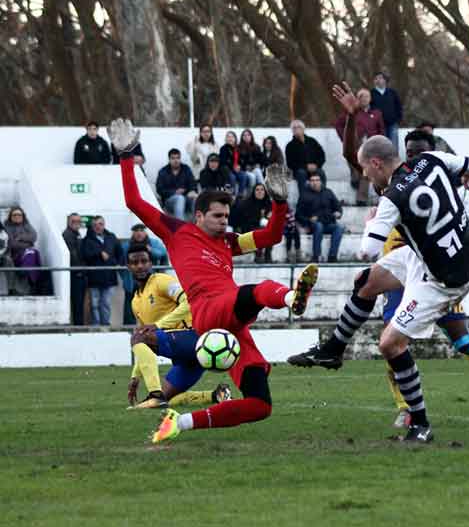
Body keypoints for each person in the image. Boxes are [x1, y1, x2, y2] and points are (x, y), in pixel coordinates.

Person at [286, 86, 469, 442]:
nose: (367, 178)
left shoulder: (392, 197)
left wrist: (368, 233)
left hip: (443, 279)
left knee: (402, 343)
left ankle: (428, 421)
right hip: (427, 259)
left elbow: (367, 247)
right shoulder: (433, 161)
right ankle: (334, 350)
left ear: (379, 164)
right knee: (368, 285)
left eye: (368, 173)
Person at [110, 118, 319, 443]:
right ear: (198, 216)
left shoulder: (228, 241)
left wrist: (279, 203)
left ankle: (180, 423)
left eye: (226, 217)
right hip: (209, 310)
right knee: (261, 289)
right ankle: (294, 299)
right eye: (217, 217)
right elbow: (134, 202)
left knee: (259, 404)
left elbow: (272, 235)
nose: (224, 222)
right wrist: (126, 156)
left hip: (233, 323)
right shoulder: (176, 232)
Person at [123, 243, 231, 410]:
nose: (140, 266)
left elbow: (189, 301)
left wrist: (158, 325)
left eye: (144, 261)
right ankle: (217, 395)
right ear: (128, 266)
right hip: (186, 358)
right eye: (135, 263)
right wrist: (135, 377)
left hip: (192, 337)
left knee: (139, 336)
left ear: (151, 263)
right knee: (164, 401)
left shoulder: (160, 281)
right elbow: (143, 343)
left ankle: (155, 394)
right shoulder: (135, 301)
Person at [335, 88, 385, 205]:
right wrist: (345, 138)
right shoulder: (352, 111)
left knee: (367, 171)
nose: (364, 99)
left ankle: (361, 199)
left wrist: (380, 142)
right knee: (356, 168)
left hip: (371, 146)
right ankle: (355, 179)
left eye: (366, 96)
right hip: (355, 145)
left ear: (370, 99)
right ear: (357, 99)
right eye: (361, 96)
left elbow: (381, 129)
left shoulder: (377, 113)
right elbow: (338, 124)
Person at [81, 215, 122, 326]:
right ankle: (96, 325)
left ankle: (105, 325)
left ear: (104, 225)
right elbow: (84, 255)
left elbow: (120, 253)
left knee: (106, 303)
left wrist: (115, 263)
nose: (98, 227)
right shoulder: (87, 240)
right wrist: (99, 254)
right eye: (95, 225)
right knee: (94, 304)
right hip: (94, 277)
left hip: (109, 276)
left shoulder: (111, 237)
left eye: (100, 224)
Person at [296, 172, 344, 263]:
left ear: (321, 182)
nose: (315, 182)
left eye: (317, 180)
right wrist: (308, 220)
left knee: (339, 227)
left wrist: (338, 213)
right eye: (312, 180)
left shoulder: (328, 192)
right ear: (309, 182)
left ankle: (332, 256)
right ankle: (316, 256)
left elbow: (338, 207)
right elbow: (298, 215)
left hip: (328, 223)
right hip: (313, 225)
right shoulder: (304, 195)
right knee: (318, 226)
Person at [233, 184, 274, 264]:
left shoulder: (268, 203)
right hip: (248, 228)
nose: (260, 192)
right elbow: (244, 220)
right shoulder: (247, 203)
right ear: (254, 192)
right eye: (257, 190)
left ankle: (268, 254)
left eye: (262, 190)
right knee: (261, 231)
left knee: (270, 231)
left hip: (263, 228)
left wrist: (268, 217)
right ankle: (258, 255)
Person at [285, 120, 327, 192]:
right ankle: (305, 198)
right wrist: (306, 167)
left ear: (303, 129)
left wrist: (316, 165)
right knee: (301, 173)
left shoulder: (312, 141)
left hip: (315, 168)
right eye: (294, 128)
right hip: (300, 170)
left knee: (321, 172)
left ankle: (322, 195)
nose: (296, 129)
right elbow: (290, 163)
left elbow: (322, 155)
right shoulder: (290, 145)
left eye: (298, 127)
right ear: (292, 131)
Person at [156, 148, 197, 221]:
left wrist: (192, 191)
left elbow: (192, 183)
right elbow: (159, 189)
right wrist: (174, 192)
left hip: (186, 197)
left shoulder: (186, 169)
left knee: (195, 198)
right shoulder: (163, 171)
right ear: (169, 159)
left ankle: (197, 226)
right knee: (179, 198)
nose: (176, 160)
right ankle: (180, 227)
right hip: (169, 201)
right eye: (173, 158)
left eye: (178, 158)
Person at [62, 213, 86, 325]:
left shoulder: (77, 234)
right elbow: (73, 254)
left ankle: (79, 324)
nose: (76, 224)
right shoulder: (67, 235)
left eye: (78, 221)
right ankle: (78, 325)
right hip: (76, 274)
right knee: (77, 302)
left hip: (80, 273)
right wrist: (80, 270)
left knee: (80, 303)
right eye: (74, 221)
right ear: (68, 222)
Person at [370, 71, 403, 148]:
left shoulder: (392, 92)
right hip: (378, 125)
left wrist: (398, 119)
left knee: (393, 145)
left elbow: (398, 106)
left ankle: (394, 160)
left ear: (385, 80)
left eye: (380, 78)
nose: (378, 80)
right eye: (375, 79)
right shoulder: (371, 93)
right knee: (381, 146)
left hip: (392, 124)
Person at [219, 130, 249, 196]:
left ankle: (240, 195)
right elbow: (223, 161)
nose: (230, 138)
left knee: (244, 175)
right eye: (228, 137)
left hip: (237, 169)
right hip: (228, 170)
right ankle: (232, 195)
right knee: (232, 177)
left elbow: (243, 160)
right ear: (226, 139)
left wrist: (240, 166)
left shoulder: (239, 148)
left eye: (232, 137)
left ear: (235, 139)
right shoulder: (223, 148)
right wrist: (233, 167)